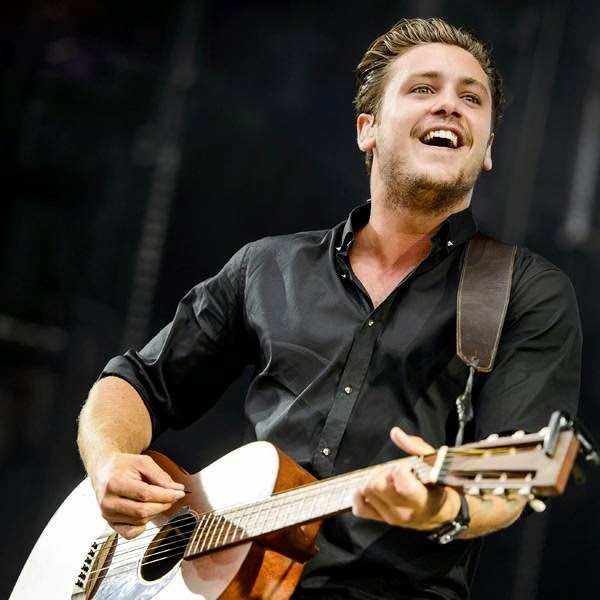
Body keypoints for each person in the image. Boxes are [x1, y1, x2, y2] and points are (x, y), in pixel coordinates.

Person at [77, 17, 581, 600]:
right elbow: (136, 383)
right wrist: (109, 460)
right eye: (423, 89)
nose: (450, 105)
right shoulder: (268, 267)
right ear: (367, 129)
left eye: (472, 98)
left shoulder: (526, 290)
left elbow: (511, 484)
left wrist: (445, 506)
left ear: (487, 149)